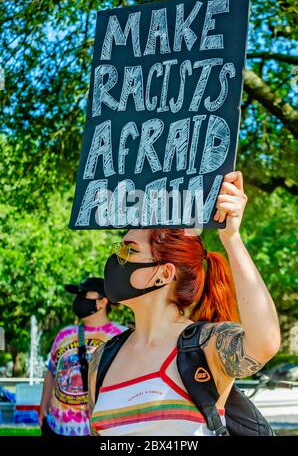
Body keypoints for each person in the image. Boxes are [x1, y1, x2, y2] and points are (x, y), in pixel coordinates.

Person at [88, 171, 281, 436]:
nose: (115, 260)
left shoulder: (205, 346)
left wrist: (231, 238)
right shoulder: (102, 359)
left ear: (163, 274)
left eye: (129, 250)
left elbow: (265, 342)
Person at [39, 277, 127, 436]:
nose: (78, 300)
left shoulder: (121, 336)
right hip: (56, 427)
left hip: (96, 430)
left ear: (102, 302)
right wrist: (43, 406)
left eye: (84, 294)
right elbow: (52, 371)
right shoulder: (64, 334)